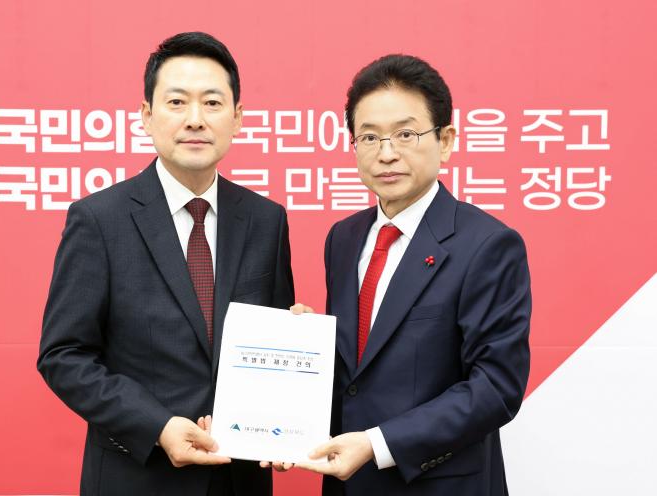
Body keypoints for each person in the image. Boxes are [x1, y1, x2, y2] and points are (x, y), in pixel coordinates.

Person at [37, 32, 294, 496]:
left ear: (237, 118)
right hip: (137, 477)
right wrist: (156, 425)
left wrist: (296, 347)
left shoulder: (266, 220)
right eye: (177, 102)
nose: (195, 119)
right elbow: (64, 355)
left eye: (212, 103)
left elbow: (272, 348)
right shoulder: (99, 219)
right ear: (146, 115)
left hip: (239, 480)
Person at [296, 54, 531, 495]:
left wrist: (377, 444)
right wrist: (307, 348)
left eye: (405, 134)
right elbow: (359, 371)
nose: (387, 153)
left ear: (446, 140)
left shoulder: (488, 245)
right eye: (369, 137)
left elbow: (496, 387)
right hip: (347, 485)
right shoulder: (343, 238)